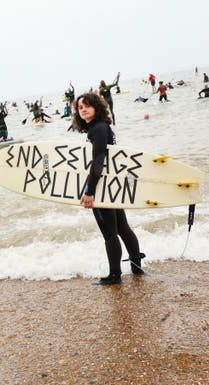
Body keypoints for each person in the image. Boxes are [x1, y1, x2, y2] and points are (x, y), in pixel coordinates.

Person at [72, 92, 143, 285]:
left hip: (102, 188)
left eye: (87, 105)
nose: (83, 109)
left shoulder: (99, 129)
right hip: (110, 185)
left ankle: (115, 276)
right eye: (80, 107)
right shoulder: (100, 128)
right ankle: (136, 268)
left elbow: (98, 162)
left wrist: (89, 192)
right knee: (122, 228)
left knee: (110, 234)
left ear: (96, 106)